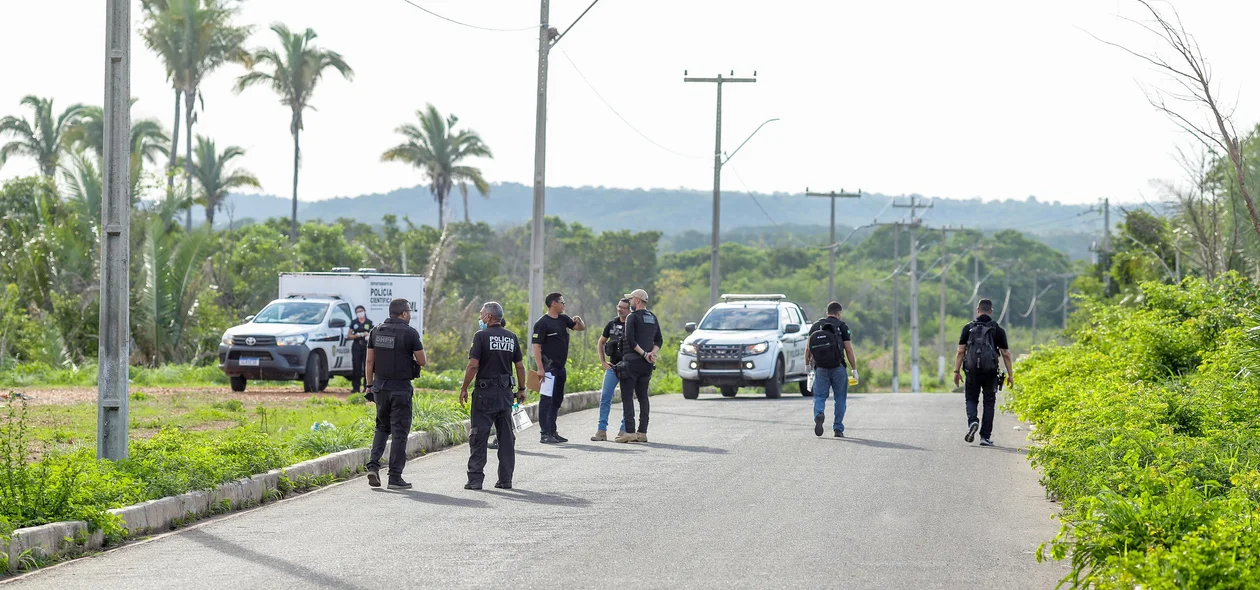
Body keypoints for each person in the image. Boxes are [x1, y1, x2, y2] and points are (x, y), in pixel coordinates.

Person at [460, 302, 527, 490]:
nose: (480, 318)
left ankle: (475, 480)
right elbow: (520, 366)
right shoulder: (511, 337)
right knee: (506, 438)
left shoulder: (481, 336)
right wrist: (521, 389)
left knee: (478, 436)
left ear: (489, 317)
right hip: (506, 395)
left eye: (481, 315)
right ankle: (505, 480)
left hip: (484, 394)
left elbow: (473, 365)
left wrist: (464, 387)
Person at [364, 298, 426, 490]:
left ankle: (373, 466)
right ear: (404, 314)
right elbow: (422, 361)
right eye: (409, 312)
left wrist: (369, 385)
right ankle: (395, 477)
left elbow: (369, 362)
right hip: (401, 389)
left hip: (380, 387)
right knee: (399, 433)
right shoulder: (410, 333)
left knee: (381, 428)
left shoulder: (376, 330)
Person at [952, 298, 1014, 447]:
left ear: (977, 310)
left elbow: (960, 351)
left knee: (971, 399)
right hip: (990, 372)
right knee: (989, 403)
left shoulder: (968, 328)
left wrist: (956, 371)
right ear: (991, 311)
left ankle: (973, 421)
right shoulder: (997, 330)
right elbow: (1005, 354)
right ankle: (985, 437)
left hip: (971, 371)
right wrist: (1010, 375)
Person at [531, 292, 585, 444]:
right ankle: (544, 433)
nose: (564, 305)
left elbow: (580, 328)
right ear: (553, 303)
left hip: (560, 367)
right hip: (548, 368)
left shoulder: (563, 319)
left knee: (557, 400)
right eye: (562, 302)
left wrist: (579, 320)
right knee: (546, 400)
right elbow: (536, 346)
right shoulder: (542, 323)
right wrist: (540, 368)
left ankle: (552, 431)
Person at [806, 301, 858, 438]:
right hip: (838, 367)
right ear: (839, 313)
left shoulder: (816, 326)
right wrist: (854, 369)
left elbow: (808, 349)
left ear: (827, 312)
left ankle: (819, 414)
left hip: (821, 368)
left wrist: (807, 366)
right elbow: (849, 350)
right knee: (840, 398)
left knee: (819, 396)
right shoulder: (842, 326)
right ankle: (838, 429)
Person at [616, 289, 662, 443]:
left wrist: (643, 354)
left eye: (631, 300)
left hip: (632, 363)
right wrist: (651, 354)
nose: (629, 303)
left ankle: (629, 431)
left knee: (627, 397)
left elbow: (630, 340)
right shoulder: (653, 317)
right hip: (647, 365)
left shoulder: (632, 317)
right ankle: (642, 432)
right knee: (643, 397)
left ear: (637, 301)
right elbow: (659, 341)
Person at [591, 298, 631, 441]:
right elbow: (601, 342)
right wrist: (602, 361)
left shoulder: (633, 324)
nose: (620, 309)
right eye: (619, 306)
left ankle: (624, 429)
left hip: (628, 367)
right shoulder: (611, 324)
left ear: (629, 309)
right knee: (605, 398)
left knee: (627, 399)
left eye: (623, 307)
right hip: (613, 367)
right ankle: (601, 430)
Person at [347, 305, 373, 393]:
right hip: (356, 346)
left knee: (367, 367)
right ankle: (356, 388)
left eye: (361, 311)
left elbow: (372, 334)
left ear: (364, 311)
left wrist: (367, 336)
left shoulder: (369, 322)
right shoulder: (354, 322)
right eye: (357, 312)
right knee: (356, 367)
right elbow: (349, 335)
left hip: (366, 347)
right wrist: (357, 335)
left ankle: (367, 387)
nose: (360, 313)